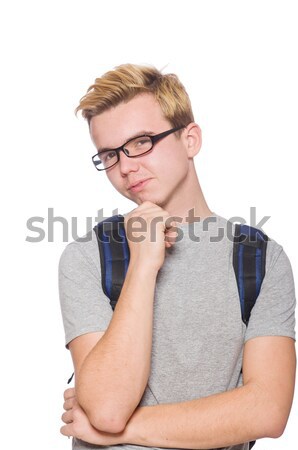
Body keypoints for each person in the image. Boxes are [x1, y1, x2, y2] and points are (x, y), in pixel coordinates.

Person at [59, 64, 296, 450]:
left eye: (141, 142)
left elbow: (267, 411)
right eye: (110, 154)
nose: (127, 166)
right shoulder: (87, 256)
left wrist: (127, 428)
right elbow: (106, 407)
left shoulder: (260, 258)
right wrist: (143, 264)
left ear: (190, 140)